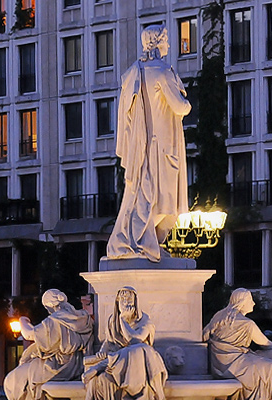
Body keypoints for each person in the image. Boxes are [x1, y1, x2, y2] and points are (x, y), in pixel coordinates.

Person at [106, 24, 192, 262]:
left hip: (144, 146)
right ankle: (143, 242)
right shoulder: (162, 72)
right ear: (156, 43)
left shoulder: (137, 71)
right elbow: (181, 107)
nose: (169, 44)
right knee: (163, 200)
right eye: (165, 40)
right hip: (163, 147)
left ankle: (145, 242)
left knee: (146, 197)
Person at [83, 287, 169, 400]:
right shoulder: (113, 321)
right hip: (118, 365)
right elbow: (109, 342)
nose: (126, 303)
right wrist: (102, 351)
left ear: (136, 302)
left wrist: (123, 319)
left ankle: (99, 367)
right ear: (117, 302)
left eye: (129, 299)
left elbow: (134, 340)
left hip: (140, 364)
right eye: (122, 299)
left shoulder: (144, 320)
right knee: (102, 380)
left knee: (138, 349)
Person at [2, 289, 94, 400]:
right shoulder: (82, 317)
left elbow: (29, 334)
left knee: (15, 377)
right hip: (75, 363)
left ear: (49, 306)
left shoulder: (54, 321)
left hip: (59, 364)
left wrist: (23, 321)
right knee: (26, 371)